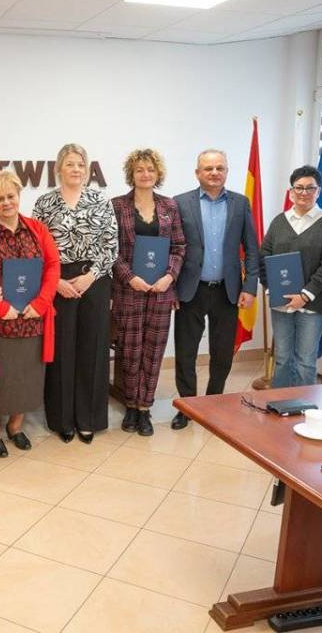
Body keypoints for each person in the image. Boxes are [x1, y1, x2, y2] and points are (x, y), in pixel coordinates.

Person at [0, 170, 60, 458]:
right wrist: (1, 308)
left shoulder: (38, 229)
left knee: (26, 378)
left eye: (10, 196)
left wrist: (42, 303)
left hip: (33, 320)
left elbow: (53, 266)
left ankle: (15, 426)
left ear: (19, 195)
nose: (6, 202)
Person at [33, 143, 118, 444]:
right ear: (59, 168)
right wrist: (55, 281)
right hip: (57, 282)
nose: (76, 169)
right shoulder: (45, 203)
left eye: (81, 164)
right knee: (61, 350)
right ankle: (62, 420)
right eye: (70, 164)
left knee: (93, 349)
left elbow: (111, 244)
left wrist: (90, 276)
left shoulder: (100, 200)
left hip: (94, 280)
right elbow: (36, 247)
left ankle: (88, 419)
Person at [172, 149, 258, 430]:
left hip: (227, 291)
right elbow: (172, 248)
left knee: (222, 353)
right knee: (186, 352)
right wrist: (171, 287)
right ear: (197, 173)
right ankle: (187, 407)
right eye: (208, 168)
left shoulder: (240, 203)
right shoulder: (180, 203)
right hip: (190, 289)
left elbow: (252, 249)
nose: (214, 173)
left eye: (220, 168)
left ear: (226, 172)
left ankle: (213, 404)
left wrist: (250, 286)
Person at [111, 149, 186, 436]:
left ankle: (145, 408)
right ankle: (130, 405)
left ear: (158, 174)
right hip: (129, 290)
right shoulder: (117, 206)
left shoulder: (169, 206)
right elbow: (111, 250)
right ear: (131, 174)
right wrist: (129, 277)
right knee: (130, 350)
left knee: (153, 351)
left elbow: (179, 246)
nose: (145, 174)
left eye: (150, 169)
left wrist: (169, 276)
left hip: (161, 291)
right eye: (140, 169)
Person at [260, 166, 322, 388]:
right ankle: (278, 403)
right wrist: (271, 287)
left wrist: (305, 295)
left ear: (318, 191)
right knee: (282, 358)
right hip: (281, 302)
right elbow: (264, 256)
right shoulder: (280, 221)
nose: (304, 193)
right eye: (299, 188)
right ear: (291, 192)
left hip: (312, 304)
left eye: (310, 188)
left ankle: (303, 404)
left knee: (305, 361)